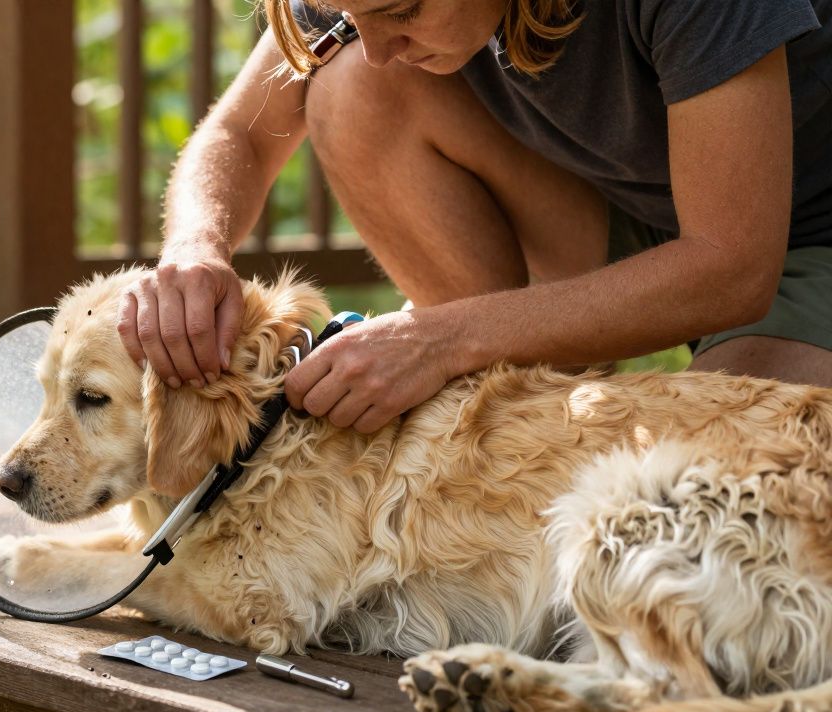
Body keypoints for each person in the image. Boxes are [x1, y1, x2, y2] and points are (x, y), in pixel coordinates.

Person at [117, 0, 832, 436]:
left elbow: (731, 267)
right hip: (633, 203)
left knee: (721, 487)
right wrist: (195, 246)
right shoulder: (369, 18)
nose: (376, 43)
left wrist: (441, 339)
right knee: (352, 90)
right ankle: (511, 411)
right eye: (350, 15)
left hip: (800, 237)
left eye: (401, 11)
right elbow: (239, 135)